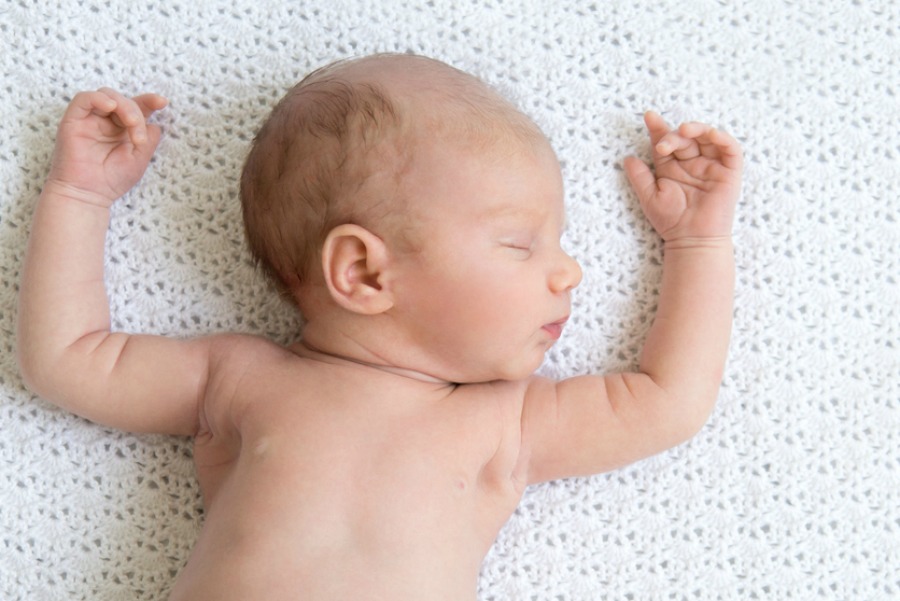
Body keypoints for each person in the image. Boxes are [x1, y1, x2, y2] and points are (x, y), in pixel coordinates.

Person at [17, 53, 741, 600]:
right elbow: (65, 357)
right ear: (362, 273)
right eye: (521, 243)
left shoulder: (507, 418)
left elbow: (667, 398)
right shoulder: (237, 378)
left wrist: (698, 243)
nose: (569, 273)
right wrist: (79, 195)